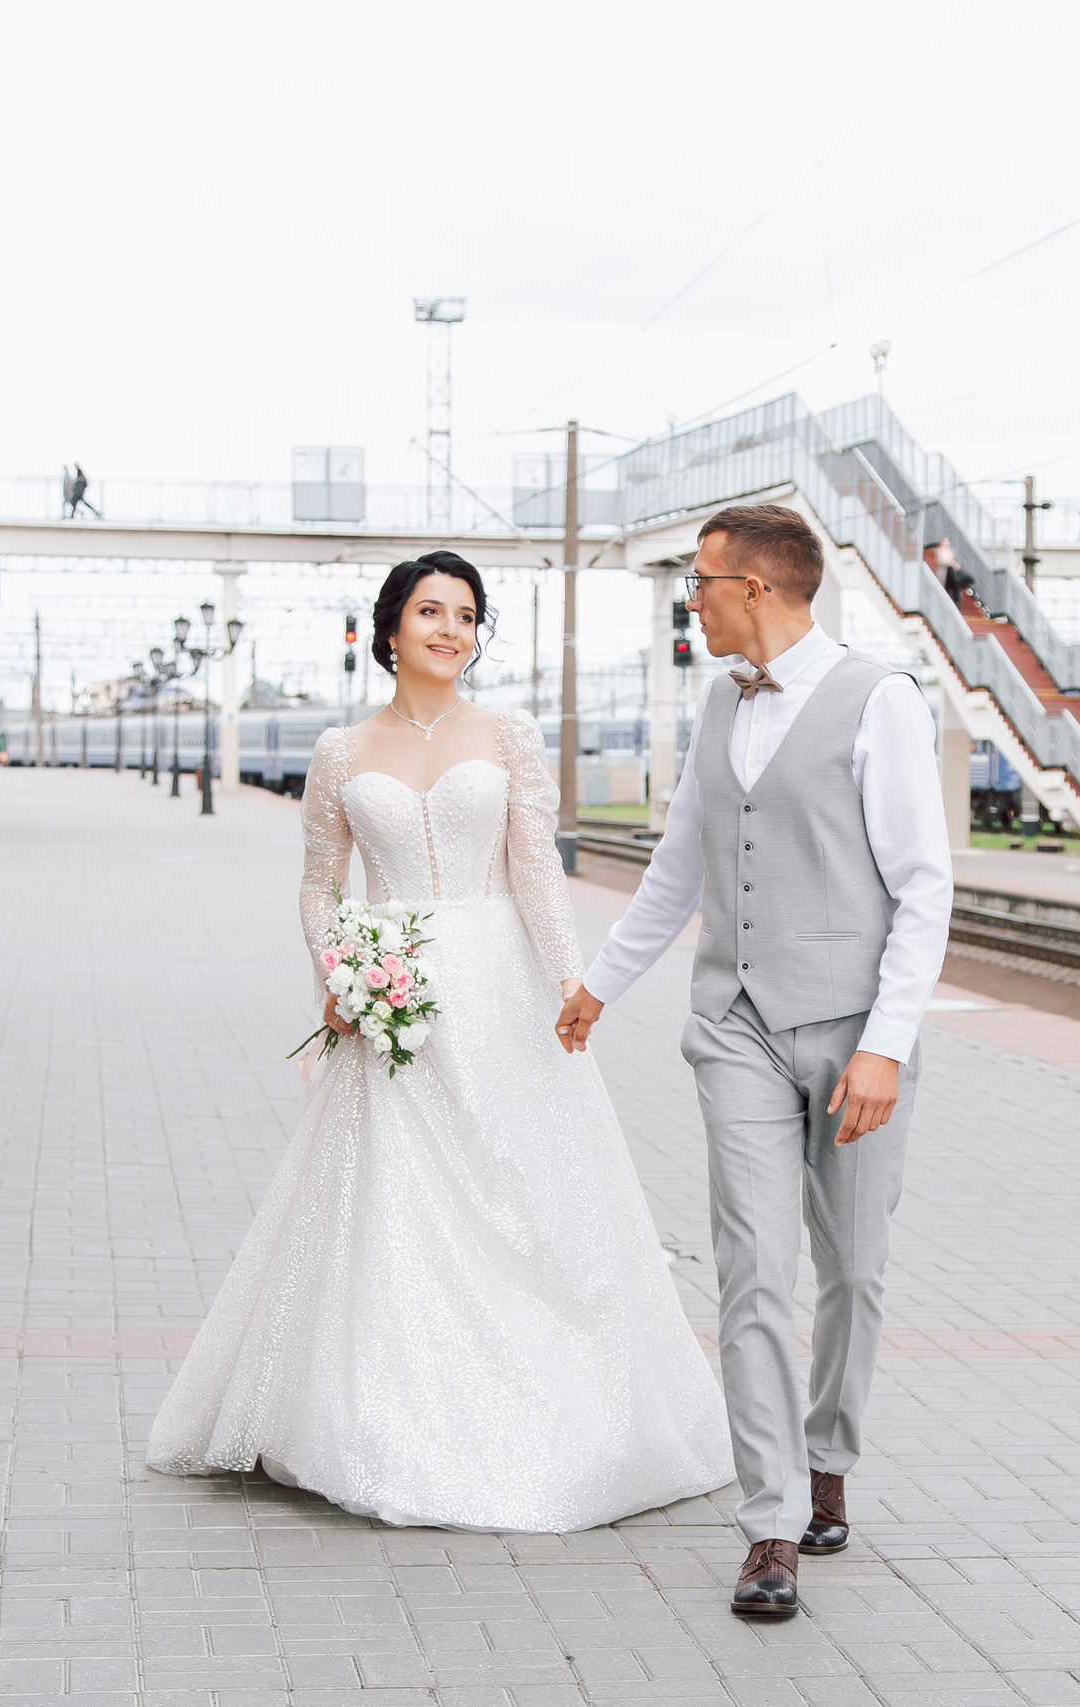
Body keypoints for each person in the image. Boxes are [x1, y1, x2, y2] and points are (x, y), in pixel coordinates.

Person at [147, 551, 731, 1536]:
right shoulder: (340, 751)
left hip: (501, 992)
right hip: (394, 993)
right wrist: (338, 974)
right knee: (391, 1198)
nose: (450, 629)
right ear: (390, 629)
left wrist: (570, 984)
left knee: (520, 1188)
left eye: (466, 614)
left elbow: (535, 871)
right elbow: (320, 885)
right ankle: (377, 1414)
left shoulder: (505, 733)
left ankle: (564, 1409)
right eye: (430, 611)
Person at [556, 503, 952, 1619]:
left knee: (855, 1272)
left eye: (701, 582)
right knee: (751, 1271)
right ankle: (770, 1520)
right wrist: (596, 986)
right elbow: (677, 871)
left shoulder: (880, 700)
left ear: (758, 590)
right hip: (732, 1023)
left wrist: (883, 1046)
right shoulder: (715, 706)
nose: (694, 598)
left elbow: (924, 889)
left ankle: (829, 1455)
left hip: (850, 1034)